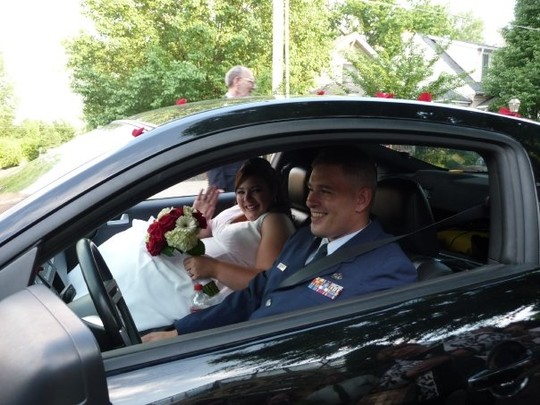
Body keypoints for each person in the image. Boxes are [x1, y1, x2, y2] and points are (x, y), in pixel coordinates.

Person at [142, 146, 417, 342]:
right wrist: (179, 333)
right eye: (311, 189)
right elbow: (254, 294)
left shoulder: (387, 272)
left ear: (361, 199)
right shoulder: (305, 238)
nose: (310, 201)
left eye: (325, 191)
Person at [69, 157, 295, 332]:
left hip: (208, 284)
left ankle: (88, 321)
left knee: (131, 280)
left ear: (273, 190)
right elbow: (209, 233)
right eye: (241, 192)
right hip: (191, 267)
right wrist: (197, 219)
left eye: (257, 190)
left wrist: (214, 268)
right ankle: (81, 310)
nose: (247, 199)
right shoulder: (237, 209)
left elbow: (266, 283)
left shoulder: (275, 221)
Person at [207, 66, 256, 191]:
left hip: (251, 182)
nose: (253, 87)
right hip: (230, 186)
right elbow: (212, 150)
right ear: (237, 81)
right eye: (250, 81)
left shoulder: (251, 111)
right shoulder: (219, 111)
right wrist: (217, 187)